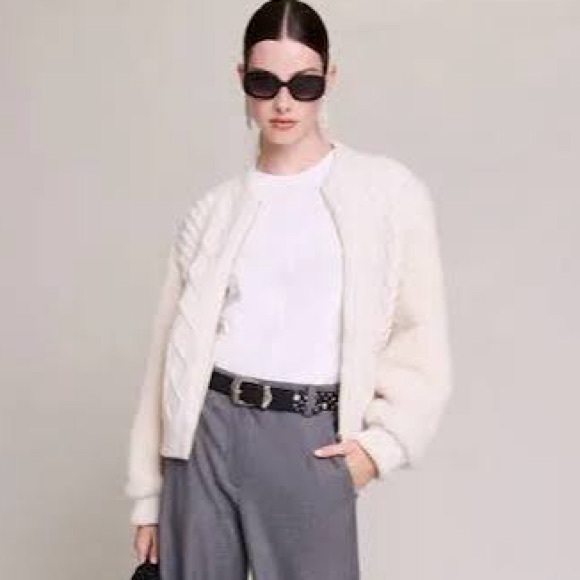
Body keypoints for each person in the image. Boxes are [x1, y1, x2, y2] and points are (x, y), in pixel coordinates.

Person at [124, 1, 453, 579]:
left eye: (303, 84)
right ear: (241, 79)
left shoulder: (388, 195)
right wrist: (149, 494)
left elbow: (420, 335)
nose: (283, 102)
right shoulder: (213, 211)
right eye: (264, 82)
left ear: (329, 78)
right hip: (204, 435)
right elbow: (166, 357)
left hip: (307, 438)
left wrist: (379, 449)